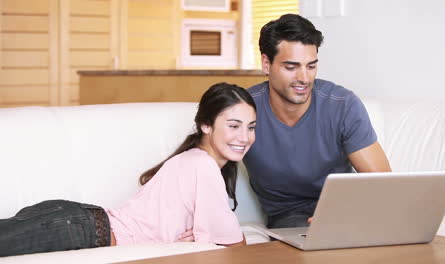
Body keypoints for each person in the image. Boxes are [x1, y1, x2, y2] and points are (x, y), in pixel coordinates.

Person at [0, 82, 256, 257]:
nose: (244, 137)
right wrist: (208, 236)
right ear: (206, 126)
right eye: (234, 126)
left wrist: (203, 236)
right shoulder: (202, 165)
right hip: (79, 227)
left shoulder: (193, 160)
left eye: (251, 127)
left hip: (75, 220)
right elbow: (238, 247)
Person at [243, 14, 392, 229]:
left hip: (343, 210)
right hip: (290, 217)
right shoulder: (244, 109)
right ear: (267, 64)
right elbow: (204, 165)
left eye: (311, 66)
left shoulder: (342, 105)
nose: (304, 78)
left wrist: (348, 213)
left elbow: (383, 185)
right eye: (291, 67)